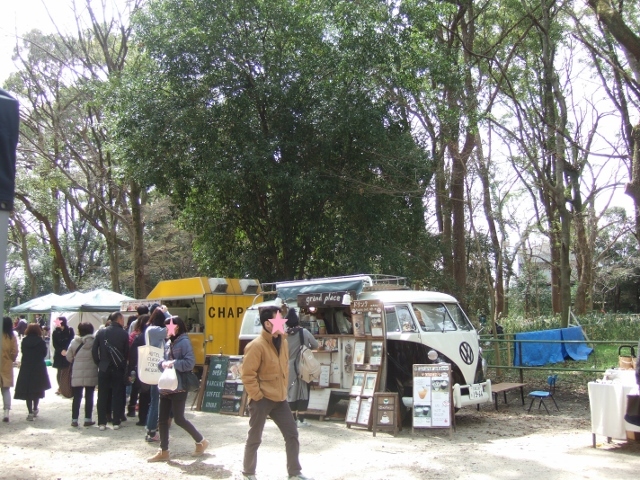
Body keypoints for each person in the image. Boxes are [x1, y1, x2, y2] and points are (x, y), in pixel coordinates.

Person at [241, 306, 311, 480]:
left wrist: (283, 390)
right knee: (255, 437)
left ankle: (294, 472)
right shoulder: (255, 346)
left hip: (280, 398)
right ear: (267, 324)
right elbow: (247, 375)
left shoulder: (284, 342)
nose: (283, 322)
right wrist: (257, 396)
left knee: (292, 433)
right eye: (278, 319)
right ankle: (248, 473)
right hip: (261, 399)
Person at [147, 316, 209, 462]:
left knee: (179, 419)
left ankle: (201, 441)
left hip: (179, 386)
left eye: (169, 326)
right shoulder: (168, 342)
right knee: (162, 420)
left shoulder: (184, 342)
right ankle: (164, 451)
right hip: (166, 386)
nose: (167, 329)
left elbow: (189, 363)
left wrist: (172, 363)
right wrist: (162, 364)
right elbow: (162, 361)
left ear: (177, 327)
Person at [92, 311, 129, 431]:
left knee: (102, 394)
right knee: (117, 394)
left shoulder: (101, 332)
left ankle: (102, 422)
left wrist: (99, 363)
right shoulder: (124, 334)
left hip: (104, 367)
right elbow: (126, 353)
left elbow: (94, 350)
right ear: (119, 320)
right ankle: (116, 421)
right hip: (118, 367)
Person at [285, 308, 318, 427]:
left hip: (288, 366)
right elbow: (316, 344)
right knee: (303, 391)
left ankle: (292, 419)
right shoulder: (303, 332)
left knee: (291, 392)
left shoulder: (284, 334)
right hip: (303, 365)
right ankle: (302, 420)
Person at [14, 324, 51, 420]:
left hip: (26, 366)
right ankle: (35, 408)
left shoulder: (24, 341)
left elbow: (23, 352)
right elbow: (44, 354)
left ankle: (30, 412)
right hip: (38, 366)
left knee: (28, 390)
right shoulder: (41, 342)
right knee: (37, 388)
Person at [65, 322, 98, 427]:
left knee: (77, 397)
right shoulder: (94, 342)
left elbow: (68, 357)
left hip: (77, 372)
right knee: (89, 396)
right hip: (91, 371)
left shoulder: (74, 342)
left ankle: (74, 419)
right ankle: (87, 419)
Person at [144, 307, 168, 442]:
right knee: (155, 401)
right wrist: (167, 313)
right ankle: (151, 431)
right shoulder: (156, 330)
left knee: (154, 401)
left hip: (152, 367)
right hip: (157, 369)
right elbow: (172, 328)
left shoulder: (150, 329)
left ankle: (150, 429)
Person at [128, 314, 150, 421]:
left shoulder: (137, 336)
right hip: (150, 366)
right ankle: (145, 414)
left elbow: (132, 353)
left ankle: (133, 410)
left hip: (138, 366)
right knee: (147, 392)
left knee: (137, 389)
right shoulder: (152, 336)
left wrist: (130, 368)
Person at [1, 316, 19, 422]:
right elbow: (15, 352)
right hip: (6, 365)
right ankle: (6, 412)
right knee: (5, 389)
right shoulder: (12, 336)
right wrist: (11, 359)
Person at [51, 316, 75, 395]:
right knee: (59, 371)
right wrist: (61, 350)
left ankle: (67, 387)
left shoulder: (70, 330)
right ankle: (60, 387)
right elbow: (55, 344)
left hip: (68, 352)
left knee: (68, 371)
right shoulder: (55, 332)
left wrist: (65, 349)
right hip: (58, 354)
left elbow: (71, 340)